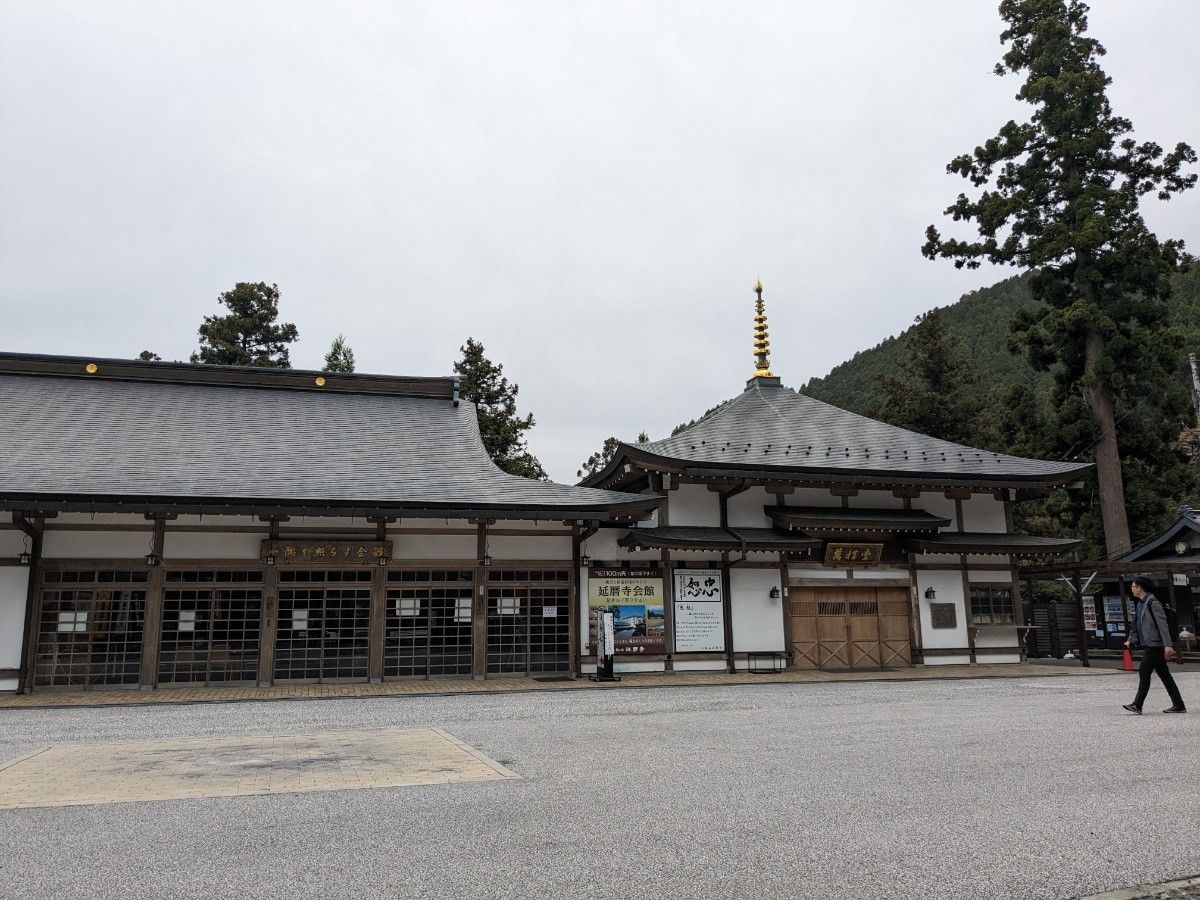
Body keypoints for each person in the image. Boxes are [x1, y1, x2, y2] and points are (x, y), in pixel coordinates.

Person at [1122, 576, 1186, 714]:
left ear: (1140, 587)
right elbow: (1135, 625)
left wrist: (1168, 645)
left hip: (1155, 645)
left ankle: (1137, 705)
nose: (1132, 589)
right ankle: (1179, 704)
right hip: (1148, 644)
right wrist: (1131, 639)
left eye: (1133, 586)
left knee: (1144, 672)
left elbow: (1162, 625)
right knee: (1164, 675)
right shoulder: (1140, 604)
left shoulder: (1153, 603)